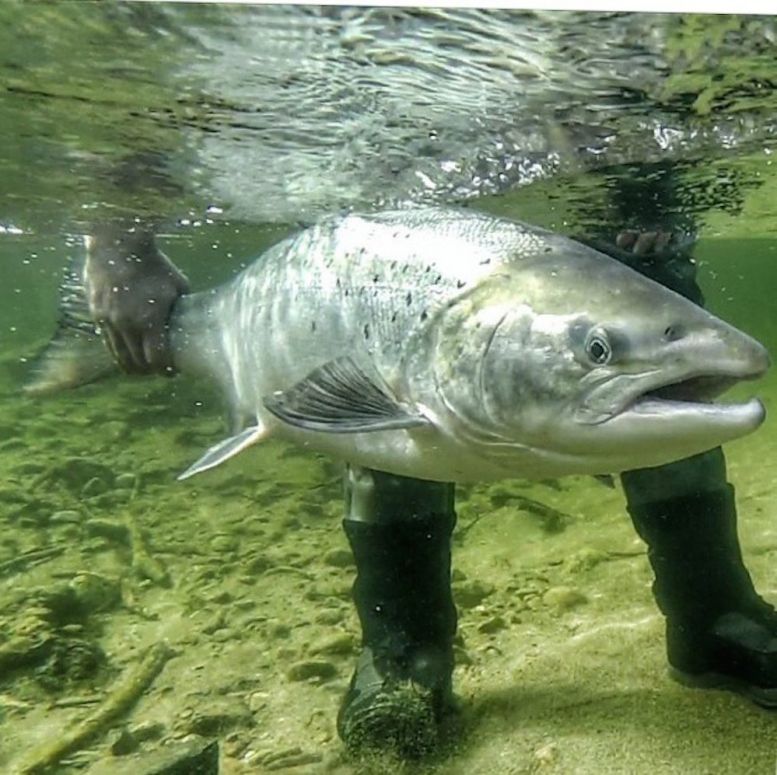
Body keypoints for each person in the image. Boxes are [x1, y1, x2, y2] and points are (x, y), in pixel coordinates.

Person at [83, 200, 777, 760]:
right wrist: (116, 242)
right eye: (596, 349)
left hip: (601, 213)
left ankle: (715, 618)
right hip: (386, 176)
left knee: (669, 390)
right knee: (400, 394)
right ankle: (403, 657)